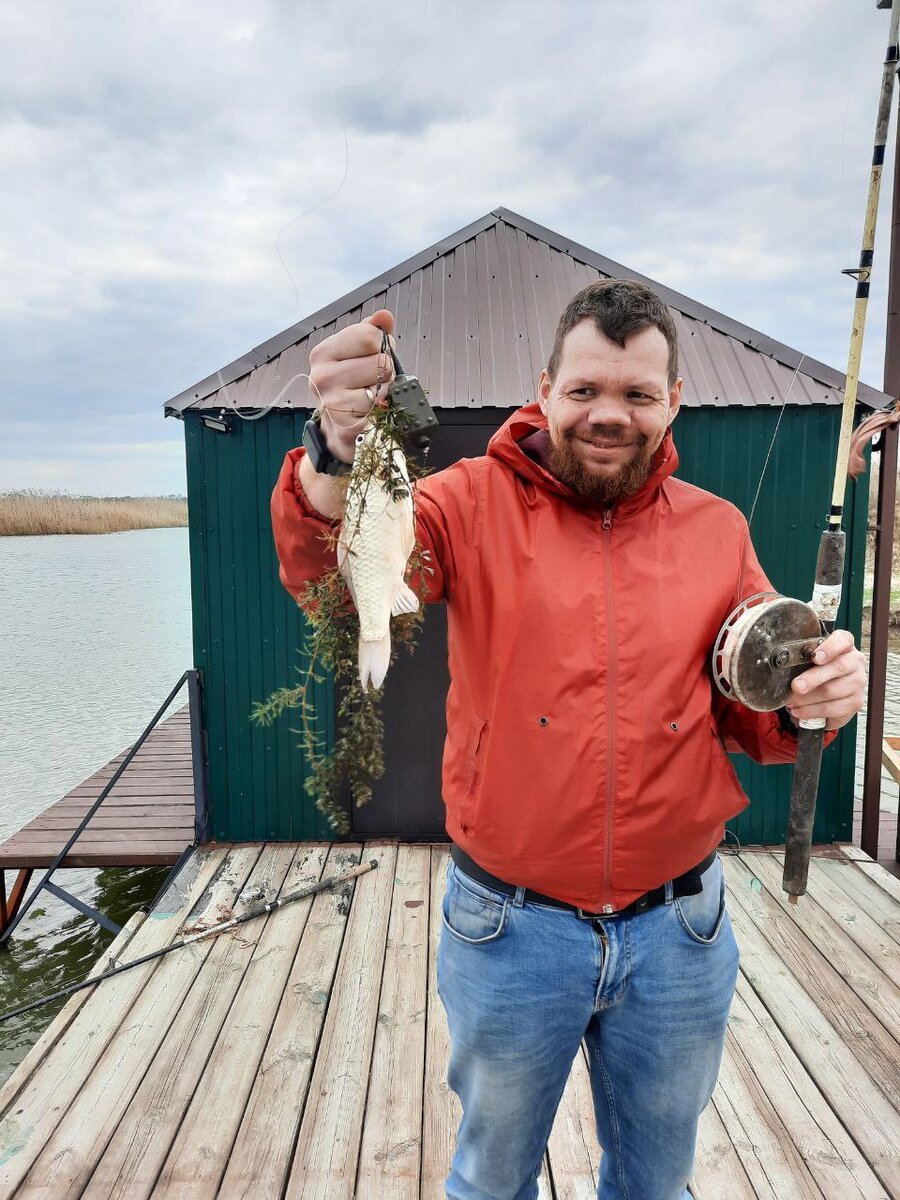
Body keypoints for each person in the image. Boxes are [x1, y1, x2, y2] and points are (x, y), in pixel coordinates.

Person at [270, 279, 867, 1200]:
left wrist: (810, 697)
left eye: (636, 394)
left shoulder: (719, 530)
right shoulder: (461, 504)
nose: (608, 414)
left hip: (682, 931)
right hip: (510, 930)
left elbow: (750, 704)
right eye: (585, 390)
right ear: (544, 387)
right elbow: (334, 580)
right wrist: (335, 456)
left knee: (654, 1183)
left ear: (672, 402)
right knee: (493, 1179)